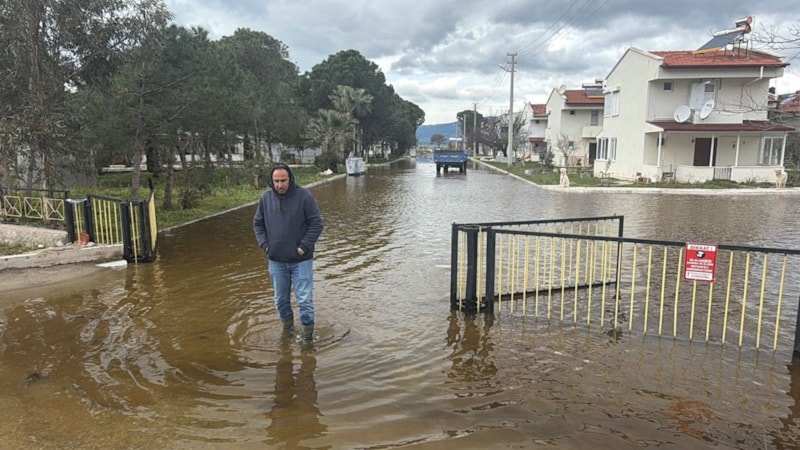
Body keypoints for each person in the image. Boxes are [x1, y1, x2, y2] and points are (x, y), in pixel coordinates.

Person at [253, 163, 324, 345]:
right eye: (276, 181)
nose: (280, 185)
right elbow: (258, 224)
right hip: (276, 260)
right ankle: (288, 330)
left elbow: (316, 224)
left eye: (283, 180)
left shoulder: (304, 196)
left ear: (290, 179)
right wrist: (265, 245)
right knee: (281, 300)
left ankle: (307, 339)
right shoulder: (266, 199)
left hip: (301, 260)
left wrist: (303, 246)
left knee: (305, 301)